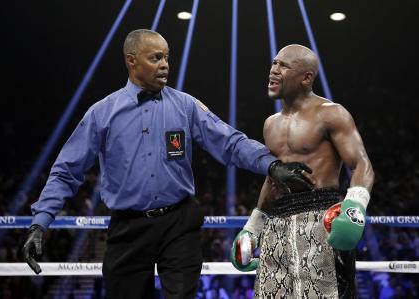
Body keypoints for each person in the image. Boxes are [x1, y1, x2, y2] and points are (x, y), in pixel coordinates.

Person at [22, 30, 312, 299]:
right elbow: (66, 170)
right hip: (128, 228)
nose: (164, 65)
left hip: (179, 222)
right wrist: (40, 222)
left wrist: (271, 165)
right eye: (155, 57)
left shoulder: (185, 105)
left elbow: (230, 142)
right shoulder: (102, 114)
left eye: (167, 57)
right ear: (131, 61)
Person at [231, 44, 374, 298]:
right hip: (277, 224)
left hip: (320, 218)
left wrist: (354, 208)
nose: (273, 71)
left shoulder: (331, 114)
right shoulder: (270, 124)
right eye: (273, 64)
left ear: (307, 77)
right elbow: (272, 178)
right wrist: (252, 227)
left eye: (283, 65)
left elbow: (362, 165)